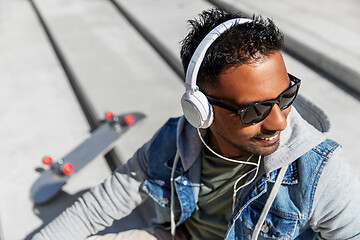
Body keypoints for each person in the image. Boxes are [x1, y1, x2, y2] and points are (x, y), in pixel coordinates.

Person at [32, 8, 360, 240]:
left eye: (286, 95)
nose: (278, 121)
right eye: (254, 111)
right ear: (200, 110)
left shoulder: (319, 171)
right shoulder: (170, 145)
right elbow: (93, 210)